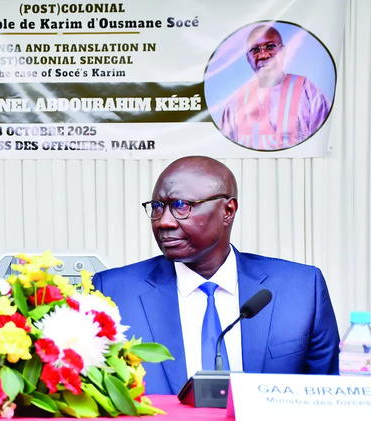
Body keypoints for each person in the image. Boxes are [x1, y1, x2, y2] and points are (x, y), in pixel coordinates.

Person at [92, 156, 339, 395]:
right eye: (157, 207)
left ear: (228, 210)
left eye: (181, 205)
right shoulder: (114, 293)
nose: (163, 222)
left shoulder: (301, 289)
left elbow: (328, 402)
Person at [220, 24, 330, 151]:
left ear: (283, 51)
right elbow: (227, 149)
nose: (263, 55)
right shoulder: (235, 104)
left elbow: (322, 141)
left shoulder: (307, 91)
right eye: (255, 50)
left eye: (270, 46)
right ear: (248, 58)